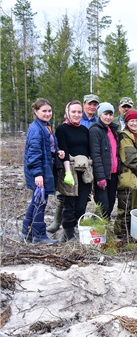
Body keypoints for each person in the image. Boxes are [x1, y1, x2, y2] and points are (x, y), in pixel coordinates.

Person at [21, 98, 62, 244]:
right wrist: (38, 174)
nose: (47, 113)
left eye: (49, 111)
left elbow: (48, 147)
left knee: (37, 201)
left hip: (45, 168)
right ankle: (39, 235)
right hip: (38, 171)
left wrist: (57, 152)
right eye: (44, 111)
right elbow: (33, 154)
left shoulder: (46, 126)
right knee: (39, 202)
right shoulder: (36, 129)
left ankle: (27, 233)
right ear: (36, 111)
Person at [55, 101, 92, 242]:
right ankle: (69, 234)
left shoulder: (84, 130)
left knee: (82, 203)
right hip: (69, 170)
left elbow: (88, 150)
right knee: (69, 203)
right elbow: (63, 150)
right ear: (67, 113)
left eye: (79, 112)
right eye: (73, 112)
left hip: (84, 171)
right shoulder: (61, 129)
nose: (76, 115)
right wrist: (67, 173)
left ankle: (77, 229)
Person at [115, 110, 137, 237]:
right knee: (125, 208)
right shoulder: (124, 136)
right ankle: (121, 235)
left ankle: (133, 234)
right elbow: (129, 159)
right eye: (132, 121)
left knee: (136, 207)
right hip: (129, 177)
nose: (135, 123)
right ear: (126, 122)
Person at [89, 102, 120, 219]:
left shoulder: (113, 130)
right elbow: (95, 155)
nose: (108, 117)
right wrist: (100, 177)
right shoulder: (95, 130)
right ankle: (94, 229)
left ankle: (103, 232)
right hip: (103, 174)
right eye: (105, 114)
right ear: (100, 115)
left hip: (114, 173)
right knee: (103, 206)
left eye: (111, 114)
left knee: (111, 204)